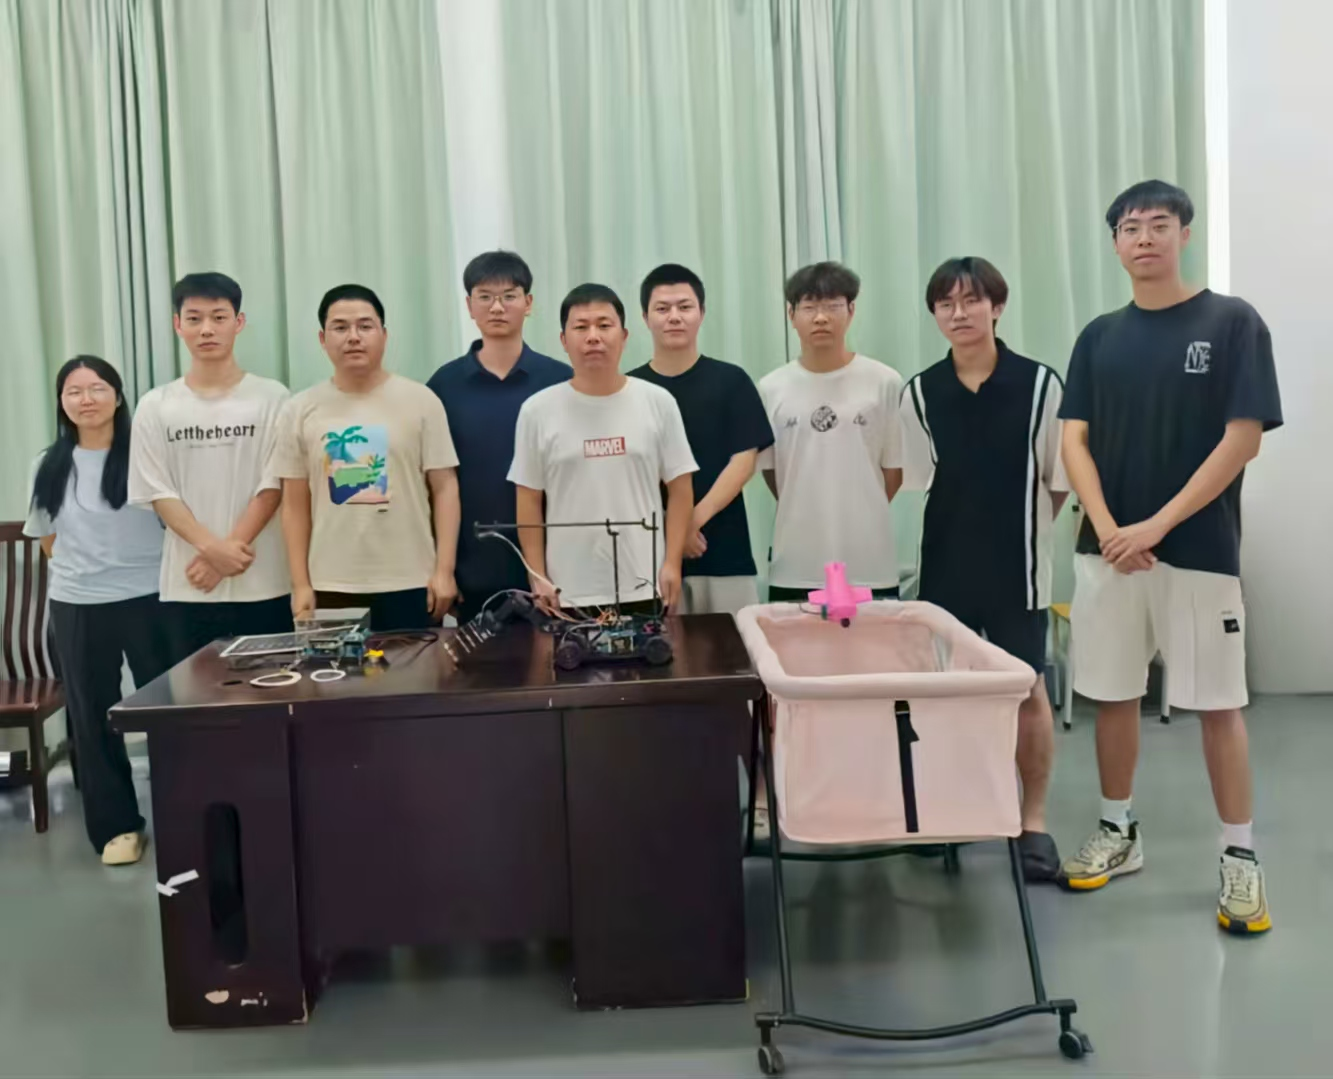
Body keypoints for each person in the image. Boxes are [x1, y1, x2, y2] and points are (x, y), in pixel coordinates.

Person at [1057, 180, 1282, 934]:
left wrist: (1153, 525)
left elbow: (1242, 439)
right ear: (1115, 243)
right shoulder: (1097, 337)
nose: (1144, 237)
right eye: (1129, 227)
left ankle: (1239, 856)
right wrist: (1108, 526)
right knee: (1110, 693)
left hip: (1197, 550)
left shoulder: (1231, 322)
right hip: (1108, 553)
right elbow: (1073, 440)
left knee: (1217, 703)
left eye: (1158, 224)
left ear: (1184, 234)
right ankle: (1117, 829)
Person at [900, 257, 1069, 882]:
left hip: (1018, 570)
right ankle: (950, 812)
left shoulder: (1041, 384)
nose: (959, 313)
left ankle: (1033, 823)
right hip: (945, 568)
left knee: (1027, 691)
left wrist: (1022, 530)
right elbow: (920, 481)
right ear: (935, 315)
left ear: (997, 307)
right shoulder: (919, 393)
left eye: (972, 300)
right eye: (946, 303)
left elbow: (1056, 482)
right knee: (945, 696)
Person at [25, 357, 175, 866]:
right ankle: (117, 827)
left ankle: (182, 811)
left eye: (97, 388)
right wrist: (91, 573)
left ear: (118, 395)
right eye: (74, 391)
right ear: (61, 402)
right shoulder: (48, 465)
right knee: (92, 716)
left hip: (152, 597)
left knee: (171, 710)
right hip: (78, 603)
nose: (86, 399)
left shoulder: (146, 456)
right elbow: (48, 538)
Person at [272, 284, 460, 632]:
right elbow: (294, 505)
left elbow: (445, 488)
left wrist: (444, 571)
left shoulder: (422, 401)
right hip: (331, 584)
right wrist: (300, 584)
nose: (353, 337)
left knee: (416, 668)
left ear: (384, 335)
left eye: (365, 326)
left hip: (411, 580)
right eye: (340, 327)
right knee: (337, 670)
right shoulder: (299, 409)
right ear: (322, 338)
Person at [129, 272, 292, 660]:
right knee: (194, 694)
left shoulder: (273, 397)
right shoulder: (155, 405)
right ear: (177, 325)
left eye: (219, 317)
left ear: (239, 322)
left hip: (264, 581)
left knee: (273, 687)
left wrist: (228, 553)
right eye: (194, 318)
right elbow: (158, 492)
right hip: (189, 583)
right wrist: (213, 551)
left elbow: (274, 484)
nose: (206, 329)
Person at [508, 283, 697, 611]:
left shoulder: (658, 402)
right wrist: (537, 575)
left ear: (624, 336)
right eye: (581, 327)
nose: (593, 336)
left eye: (604, 325)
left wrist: (672, 563)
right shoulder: (537, 410)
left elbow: (680, 489)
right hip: (566, 591)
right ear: (563, 340)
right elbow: (528, 499)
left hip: (645, 584)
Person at [427, 251, 569, 622]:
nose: (497, 307)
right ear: (469, 306)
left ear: (528, 303)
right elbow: (435, 484)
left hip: (555, 567)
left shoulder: (560, 380)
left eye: (509, 296)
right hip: (472, 565)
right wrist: (443, 569)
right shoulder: (443, 385)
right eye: (485, 297)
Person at [629, 264, 773, 615]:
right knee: (660, 648)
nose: (674, 317)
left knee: (735, 647)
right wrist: (674, 529)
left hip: (724, 553)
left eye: (685, 306)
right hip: (651, 560)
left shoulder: (732, 380)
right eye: (662, 308)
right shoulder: (630, 390)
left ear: (702, 313)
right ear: (645, 317)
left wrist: (690, 522)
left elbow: (744, 462)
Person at [757, 261, 904, 600]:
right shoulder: (770, 388)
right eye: (809, 307)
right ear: (791, 314)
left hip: (870, 563)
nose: (821, 317)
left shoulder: (884, 382)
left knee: (874, 638)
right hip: (795, 564)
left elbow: (893, 472)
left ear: (851, 310)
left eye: (832, 306)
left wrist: (859, 508)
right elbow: (774, 473)